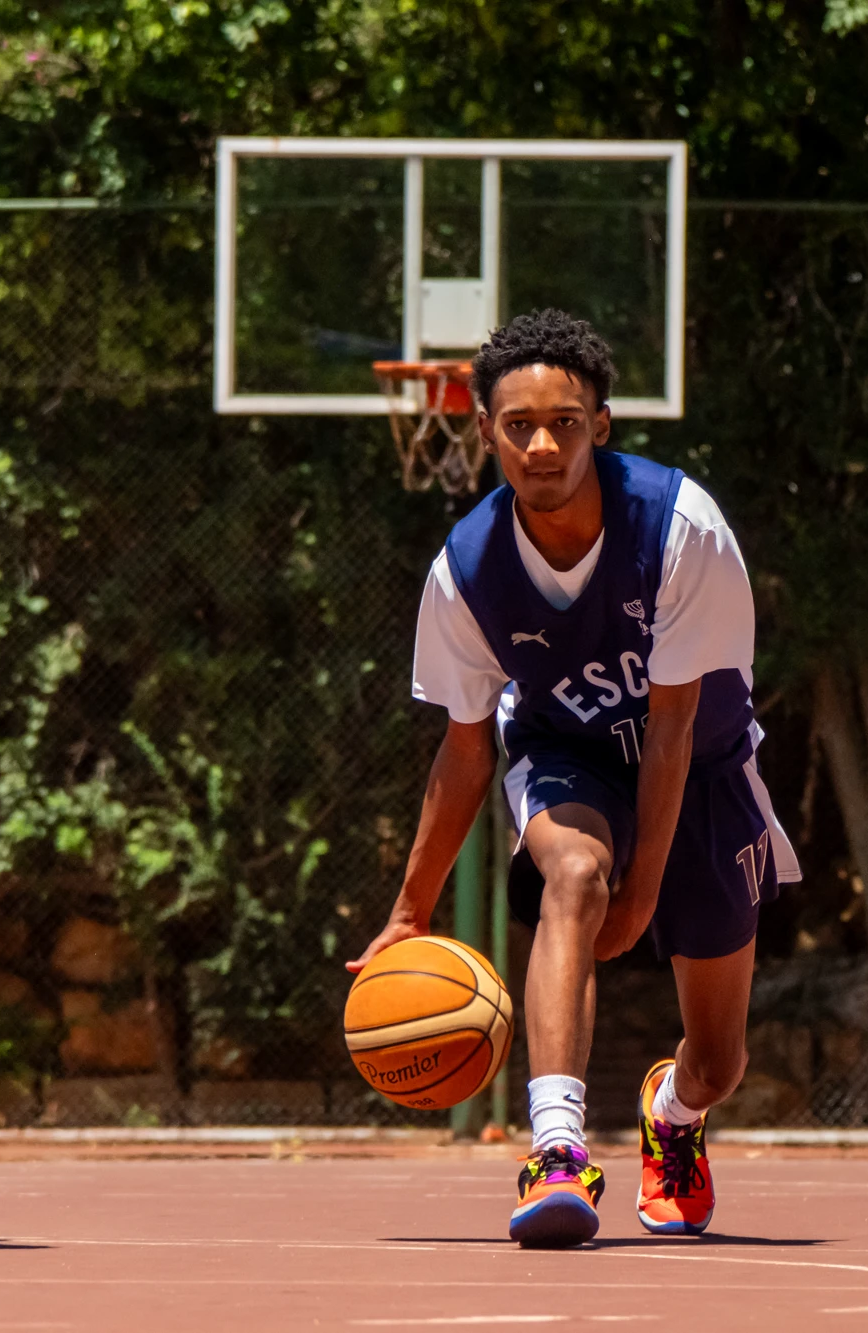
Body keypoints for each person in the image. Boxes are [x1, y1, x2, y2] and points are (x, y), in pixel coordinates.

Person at [350, 309, 800, 1249]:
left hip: (702, 763)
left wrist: (646, 898)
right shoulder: (466, 572)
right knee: (573, 878)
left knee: (719, 1062)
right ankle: (555, 1149)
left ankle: (673, 1116)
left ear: (601, 424)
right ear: (485, 433)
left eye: (564, 420)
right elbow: (468, 748)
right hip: (569, 752)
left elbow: (673, 725)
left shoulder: (679, 527)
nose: (542, 442)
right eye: (518, 424)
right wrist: (408, 908)